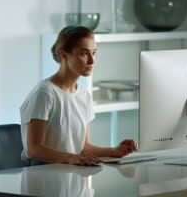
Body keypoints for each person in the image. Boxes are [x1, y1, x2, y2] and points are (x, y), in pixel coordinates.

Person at [20, 26, 138, 166]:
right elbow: (34, 149)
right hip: (44, 177)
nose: (92, 61)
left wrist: (114, 151)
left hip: (72, 174)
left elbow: (83, 147)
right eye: (84, 54)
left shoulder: (84, 95)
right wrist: (71, 158)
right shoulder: (45, 93)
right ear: (63, 55)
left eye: (94, 53)